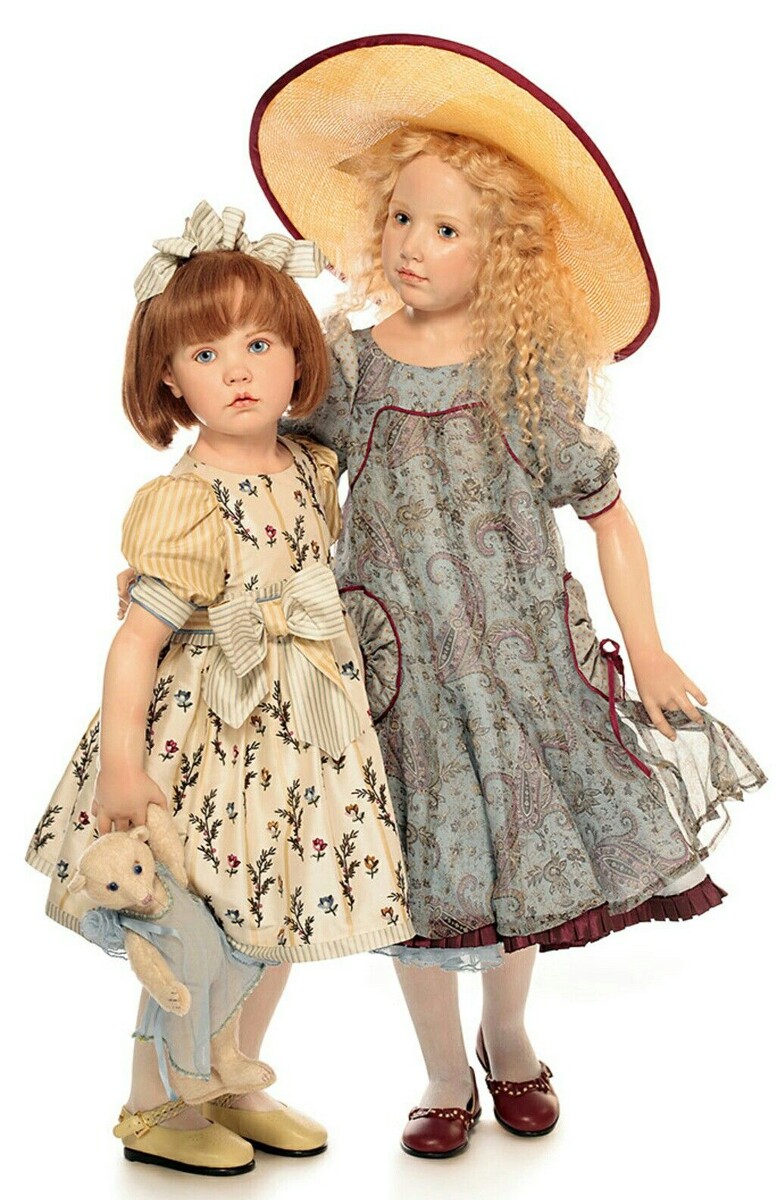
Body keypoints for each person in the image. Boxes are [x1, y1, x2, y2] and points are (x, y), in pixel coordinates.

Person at [250, 36, 767, 1158]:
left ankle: (511, 1034)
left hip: (518, 658)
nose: (413, 244)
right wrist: (200, 551)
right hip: (398, 673)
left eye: (447, 228)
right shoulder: (350, 365)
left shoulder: (522, 375)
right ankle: (443, 1071)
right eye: (401, 218)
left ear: (504, 250)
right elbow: (280, 477)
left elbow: (607, 511)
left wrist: (650, 648)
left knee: (519, 853)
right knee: (422, 872)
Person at [26, 201, 413, 1175]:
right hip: (209, 740)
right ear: (168, 376)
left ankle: (228, 1080)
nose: (237, 370)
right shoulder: (187, 503)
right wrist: (123, 768)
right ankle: (153, 1103)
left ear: (296, 353)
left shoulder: (311, 467)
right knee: (194, 932)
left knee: (276, 914)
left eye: (258, 343)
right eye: (205, 354)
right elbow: (135, 643)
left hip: (299, 734)